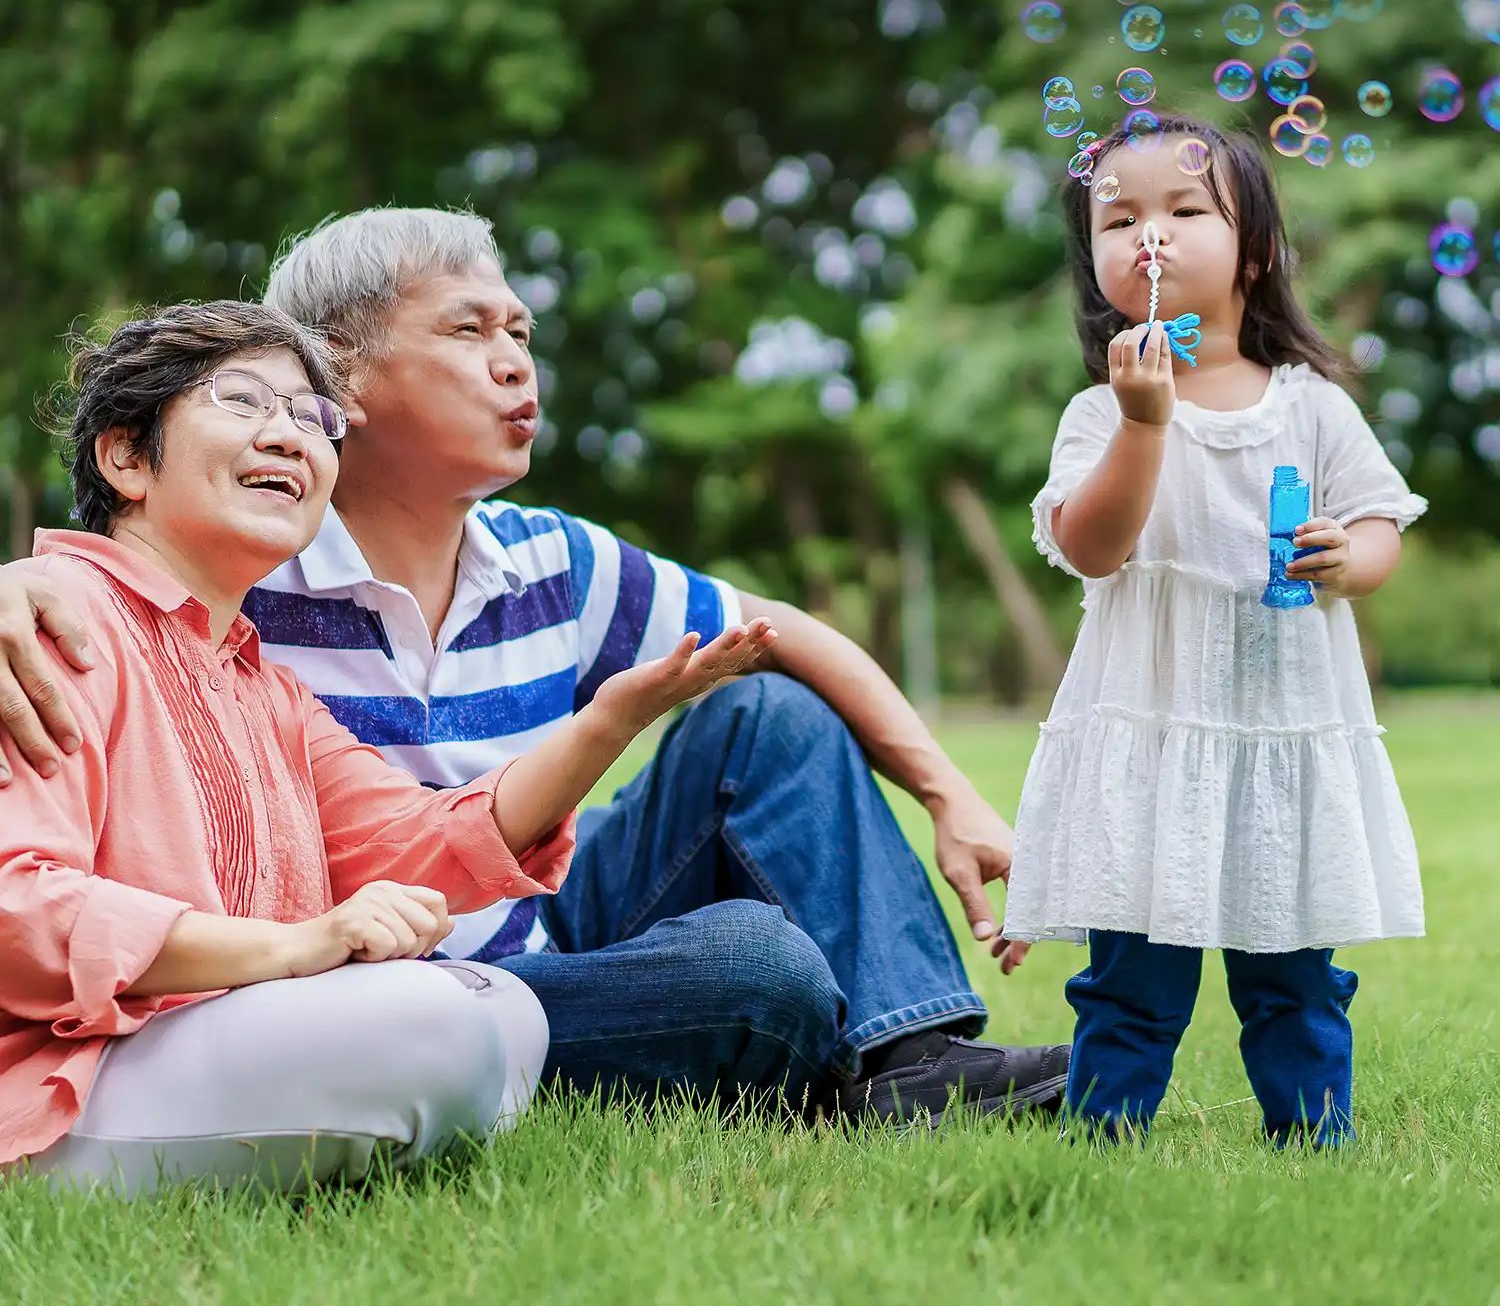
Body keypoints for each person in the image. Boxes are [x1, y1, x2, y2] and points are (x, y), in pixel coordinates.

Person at [0, 208, 1068, 1126]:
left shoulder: (548, 557)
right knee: (758, 969)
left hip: (522, 921)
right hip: (348, 985)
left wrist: (949, 794)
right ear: (344, 369)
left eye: (520, 330)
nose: (516, 362)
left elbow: (775, 628)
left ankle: (909, 1056)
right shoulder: (235, 567)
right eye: (469, 330)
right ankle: (753, 1035)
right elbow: (113, 556)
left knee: (766, 713)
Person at [0, 302, 770, 1195]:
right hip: (64, 1079)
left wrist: (607, 722)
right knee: (438, 1029)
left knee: (506, 1011)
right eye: (244, 401)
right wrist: (289, 947)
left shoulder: (264, 689)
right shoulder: (52, 620)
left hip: (200, 1046)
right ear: (126, 457)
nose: (288, 437)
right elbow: (18, 906)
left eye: (312, 418)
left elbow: (422, 842)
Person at [996, 115, 1426, 1145]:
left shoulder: (1310, 406)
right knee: (1130, 981)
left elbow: (1379, 525)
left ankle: (1315, 1140)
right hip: (1150, 743)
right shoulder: (1100, 414)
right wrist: (1147, 423)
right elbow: (1095, 547)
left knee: (1296, 981)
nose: (1149, 236)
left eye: (1186, 211)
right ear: (1092, 257)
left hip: (1277, 737)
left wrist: (1347, 559)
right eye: (1119, 218)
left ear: (1258, 252)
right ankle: (1105, 1141)